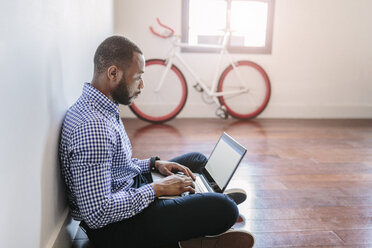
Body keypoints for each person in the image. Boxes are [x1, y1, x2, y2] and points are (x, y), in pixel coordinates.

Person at [59, 36, 254, 248]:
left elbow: (116, 166)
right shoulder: (93, 127)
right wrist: (157, 189)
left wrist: (154, 165)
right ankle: (202, 223)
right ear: (113, 73)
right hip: (116, 228)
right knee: (226, 210)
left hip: (126, 191)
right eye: (137, 77)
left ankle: (203, 194)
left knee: (196, 161)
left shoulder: (100, 107)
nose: (142, 85)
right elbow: (98, 214)